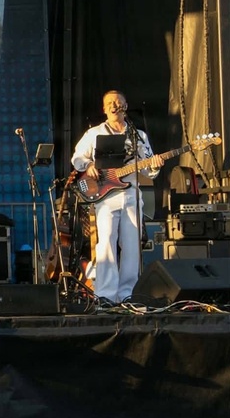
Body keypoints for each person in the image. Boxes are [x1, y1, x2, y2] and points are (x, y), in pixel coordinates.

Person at [70, 90, 163, 304]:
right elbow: (77, 157)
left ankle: (127, 294)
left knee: (132, 245)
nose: (114, 105)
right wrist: (89, 165)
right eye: (109, 103)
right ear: (104, 109)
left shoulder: (138, 135)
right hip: (105, 195)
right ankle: (105, 295)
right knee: (106, 244)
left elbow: (149, 170)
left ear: (125, 106)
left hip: (130, 192)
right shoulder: (94, 133)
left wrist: (155, 166)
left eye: (118, 102)